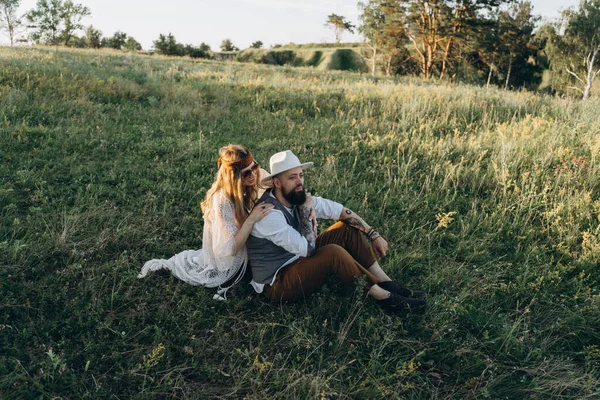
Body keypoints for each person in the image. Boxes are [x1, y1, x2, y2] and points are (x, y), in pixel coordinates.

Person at [246, 150, 427, 312]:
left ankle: (387, 283)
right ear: (277, 182)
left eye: (301, 175)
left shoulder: (295, 195)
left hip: (298, 258)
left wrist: (374, 235)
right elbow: (308, 250)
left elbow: (340, 211)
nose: (299, 181)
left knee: (345, 229)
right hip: (277, 282)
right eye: (292, 177)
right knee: (332, 253)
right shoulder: (269, 213)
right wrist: (306, 211)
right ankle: (387, 298)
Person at [139, 144, 274, 300]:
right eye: (246, 173)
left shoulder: (256, 175)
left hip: (249, 243)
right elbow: (230, 249)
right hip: (232, 258)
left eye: (255, 166)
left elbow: (278, 184)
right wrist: (251, 220)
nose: (253, 174)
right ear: (234, 177)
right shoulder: (222, 201)